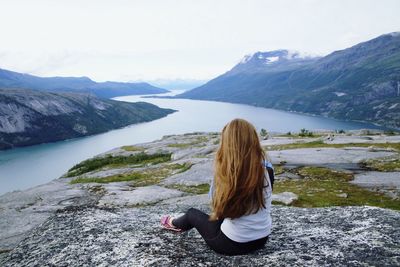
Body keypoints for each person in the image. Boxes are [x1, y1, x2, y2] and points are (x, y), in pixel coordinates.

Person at [160, 118, 274, 256]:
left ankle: (172, 222)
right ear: (254, 140)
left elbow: (218, 209)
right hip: (262, 238)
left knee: (192, 214)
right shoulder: (267, 170)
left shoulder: (227, 174)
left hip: (232, 244)